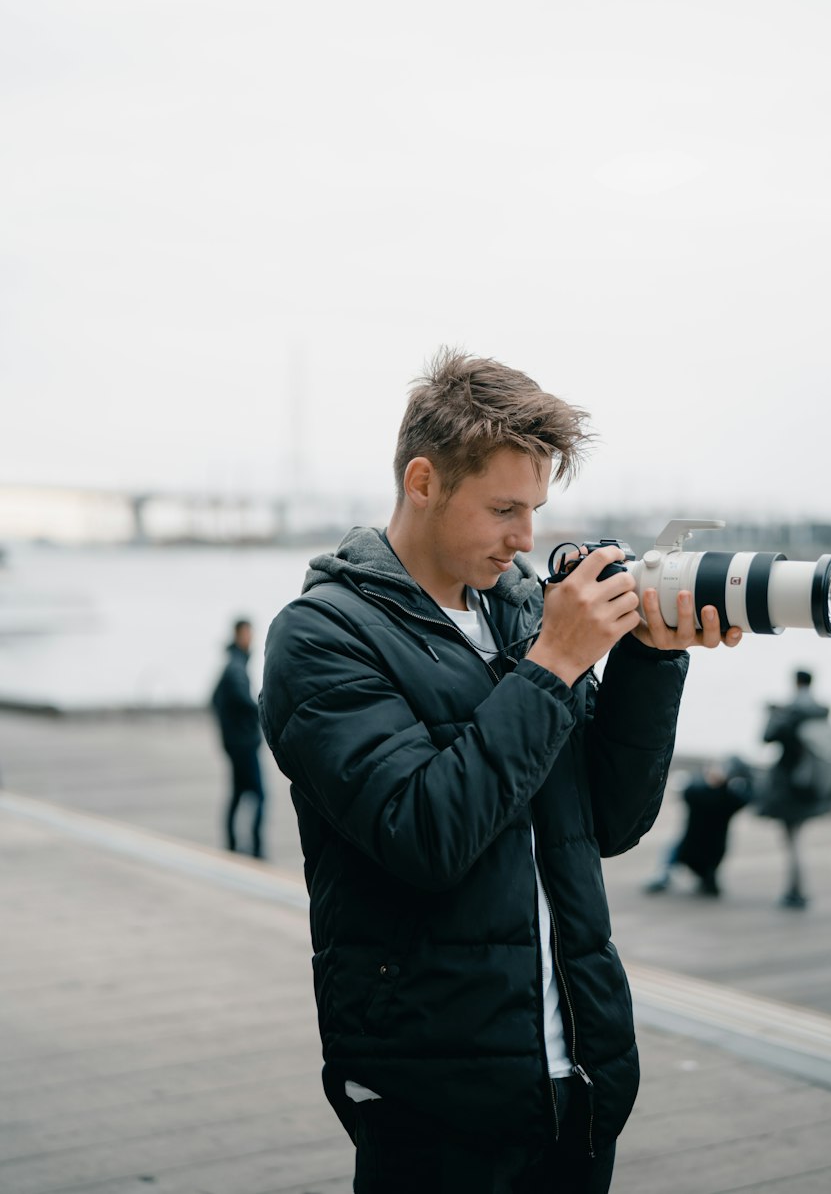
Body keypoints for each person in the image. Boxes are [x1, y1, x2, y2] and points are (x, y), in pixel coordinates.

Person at [258, 350, 742, 1193]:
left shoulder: (522, 609)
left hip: (579, 1082)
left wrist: (647, 664)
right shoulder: (321, 636)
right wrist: (553, 666)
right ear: (423, 480)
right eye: (505, 508)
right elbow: (425, 835)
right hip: (430, 1098)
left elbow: (611, 824)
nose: (527, 536)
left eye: (538, 508)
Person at [757, 669, 831, 908]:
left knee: (791, 840)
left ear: (794, 682)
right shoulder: (820, 713)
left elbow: (767, 737)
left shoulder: (790, 713)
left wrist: (772, 714)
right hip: (811, 784)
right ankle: (796, 889)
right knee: (796, 839)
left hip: (789, 787)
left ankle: (796, 891)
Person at [644, 757, 754, 897]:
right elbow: (746, 798)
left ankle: (665, 876)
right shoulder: (728, 797)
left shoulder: (709, 795)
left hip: (699, 849)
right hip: (705, 849)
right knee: (674, 854)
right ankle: (665, 875)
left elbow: (688, 790)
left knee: (675, 855)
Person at [210, 618, 265, 859]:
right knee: (259, 795)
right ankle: (256, 848)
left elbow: (214, 699)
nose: (250, 638)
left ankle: (232, 844)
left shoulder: (233, 664)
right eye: (246, 633)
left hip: (236, 743)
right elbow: (245, 703)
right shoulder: (235, 667)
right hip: (243, 744)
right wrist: (264, 713)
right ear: (237, 635)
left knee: (238, 793)